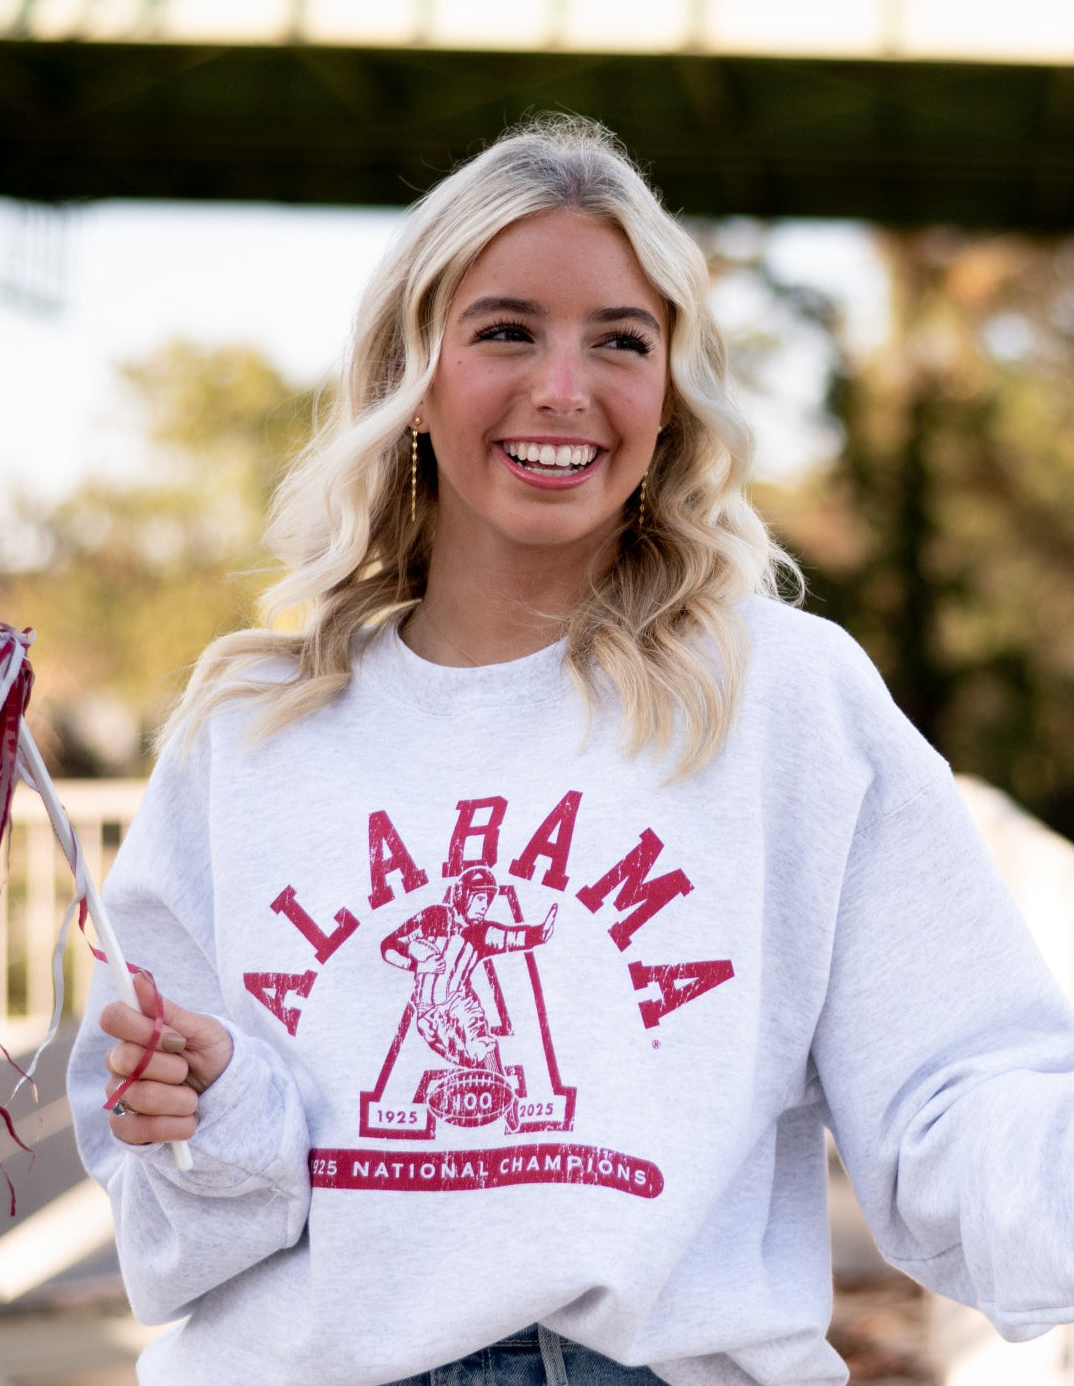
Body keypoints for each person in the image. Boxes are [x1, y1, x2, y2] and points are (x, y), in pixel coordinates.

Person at [68, 115, 1074, 1386]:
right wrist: (204, 1112)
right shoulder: (256, 728)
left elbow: (953, 1099)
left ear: (667, 393)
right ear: (413, 374)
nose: (564, 388)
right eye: (505, 331)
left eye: (619, 341)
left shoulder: (782, 700)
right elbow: (171, 1207)